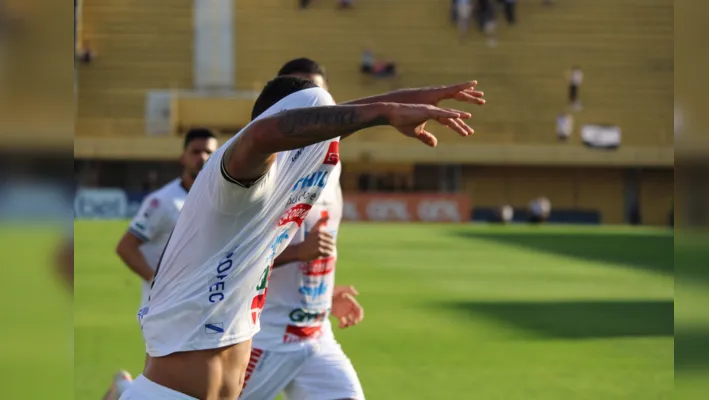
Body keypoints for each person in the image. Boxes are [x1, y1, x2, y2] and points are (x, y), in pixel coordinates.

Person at [122, 76, 484, 400]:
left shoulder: (280, 180)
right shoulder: (236, 176)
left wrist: (409, 101)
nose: (322, 148)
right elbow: (266, 133)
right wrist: (385, 111)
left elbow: (327, 123)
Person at [239, 58, 364, 400]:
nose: (311, 108)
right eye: (299, 97)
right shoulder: (258, 169)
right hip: (265, 338)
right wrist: (296, 254)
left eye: (318, 97)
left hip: (316, 335)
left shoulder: (331, 164)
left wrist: (324, 296)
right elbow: (231, 257)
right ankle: (128, 393)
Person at [101, 128, 219, 400]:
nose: (202, 157)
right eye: (196, 151)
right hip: (163, 307)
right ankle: (123, 391)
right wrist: (159, 282)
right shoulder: (163, 201)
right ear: (183, 157)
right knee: (173, 385)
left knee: (179, 386)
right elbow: (126, 246)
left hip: (203, 305)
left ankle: (122, 391)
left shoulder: (217, 199)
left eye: (209, 152)